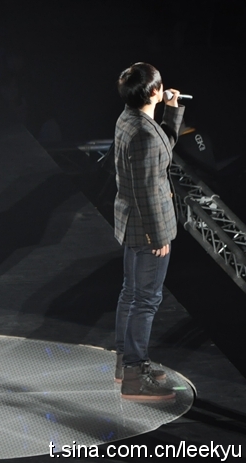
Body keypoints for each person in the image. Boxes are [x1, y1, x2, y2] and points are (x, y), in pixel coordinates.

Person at [113, 63, 184, 400]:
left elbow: (161, 148)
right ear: (154, 91)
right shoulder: (142, 133)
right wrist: (157, 236)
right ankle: (134, 373)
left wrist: (171, 111)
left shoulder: (129, 119)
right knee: (146, 299)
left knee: (131, 293)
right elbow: (145, 189)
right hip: (146, 227)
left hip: (132, 222)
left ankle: (125, 361)